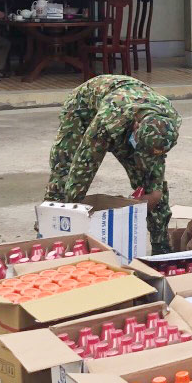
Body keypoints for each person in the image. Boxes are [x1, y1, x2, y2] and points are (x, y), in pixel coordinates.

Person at [45, 74, 180, 255]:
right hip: (83, 109)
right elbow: (84, 166)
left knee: (152, 186)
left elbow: (155, 168)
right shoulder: (110, 118)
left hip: (129, 114)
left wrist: (153, 191)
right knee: (64, 166)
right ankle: (51, 228)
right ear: (136, 127)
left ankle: (161, 247)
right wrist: (72, 211)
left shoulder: (167, 120)